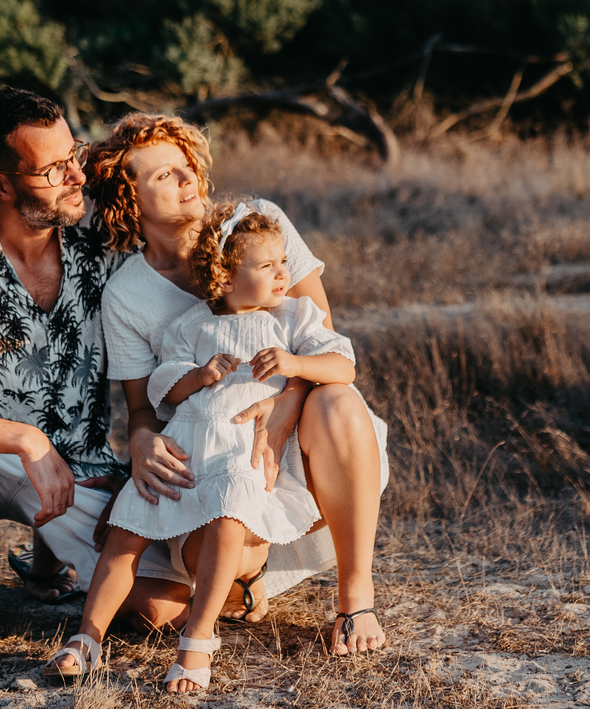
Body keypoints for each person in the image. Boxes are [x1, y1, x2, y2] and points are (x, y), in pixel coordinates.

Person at [0, 88, 204, 644]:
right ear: (0, 184)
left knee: (160, 613)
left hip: (82, 466)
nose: (76, 176)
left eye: (75, 154)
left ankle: (47, 558)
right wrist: (26, 440)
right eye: (53, 170)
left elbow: (183, 250)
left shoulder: (105, 237)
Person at [81, 113, 390, 655]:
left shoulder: (258, 223)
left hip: (300, 442)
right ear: (129, 202)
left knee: (338, 401)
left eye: (186, 164)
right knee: (154, 612)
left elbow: (318, 345)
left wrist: (282, 415)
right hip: (207, 453)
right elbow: (144, 408)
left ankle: (355, 598)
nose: (188, 179)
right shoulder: (127, 294)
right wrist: (142, 444)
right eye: (164, 175)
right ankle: (243, 581)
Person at [45, 203, 362, 691]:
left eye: (283, 262)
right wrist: (199, 375)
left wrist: (296, 364)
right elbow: (163, 389)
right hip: (186, 448)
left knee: (228, 518)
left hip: (240, 453)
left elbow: (344, 365)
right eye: (267, 265)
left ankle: (197, 638)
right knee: (126, 530)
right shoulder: (192, 325)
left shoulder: (293, 317)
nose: (283, 274)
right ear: (226, 277)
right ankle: (87, 637)